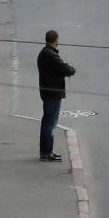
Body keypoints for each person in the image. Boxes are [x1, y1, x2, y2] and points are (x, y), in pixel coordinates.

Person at [38, 28, 77, 163]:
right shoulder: (51, 55)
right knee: (50, 124)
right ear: (56, 40)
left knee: (47, 122)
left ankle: (46, 151)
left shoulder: (43, 53)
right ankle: (47, 152)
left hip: (46, 92)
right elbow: (64, 68)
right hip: (53, 93)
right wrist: (72, 70)